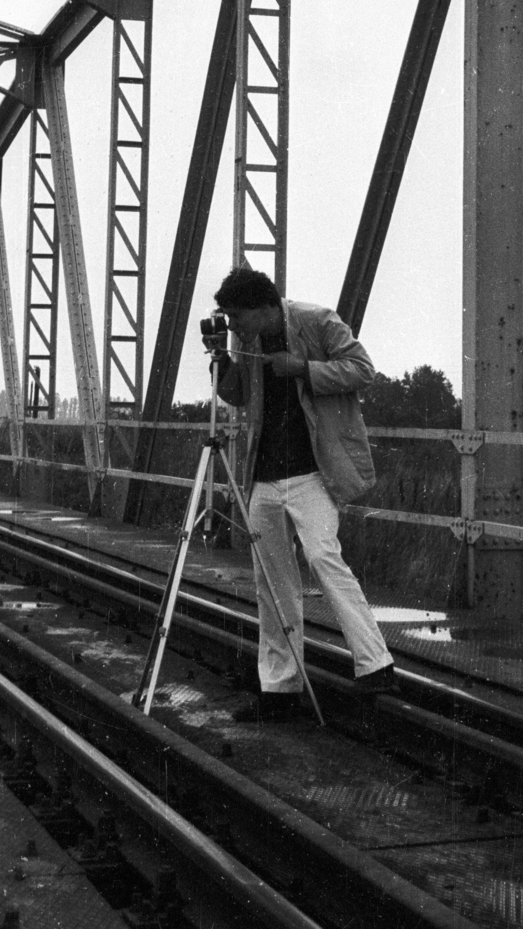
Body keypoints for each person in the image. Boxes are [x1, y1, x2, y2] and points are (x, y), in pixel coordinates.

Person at [208, 266, 396, 721]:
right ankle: (279, 688)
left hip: (314, 472)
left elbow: (363, 369)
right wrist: (223, 361)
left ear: (263, 307)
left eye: (236, 318)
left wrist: (303, 369)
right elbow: (236, 396)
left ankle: (376, 665)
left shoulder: (317, 321)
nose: (233, 327)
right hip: (264, 477)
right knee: (270, 582)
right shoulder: (243, 341)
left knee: (323, 557)